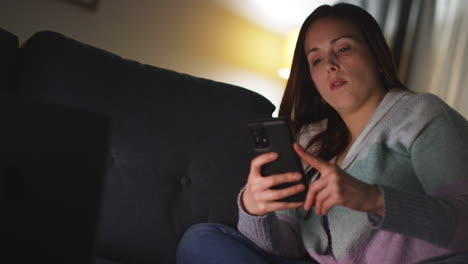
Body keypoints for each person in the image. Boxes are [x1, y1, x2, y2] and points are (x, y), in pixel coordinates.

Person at [176, 3, 468, 264]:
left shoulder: (422, 114)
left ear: (376, 56)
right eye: (316, 60)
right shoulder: (310, 141)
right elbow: (287, 244)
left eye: (343, 48)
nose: (330, 65)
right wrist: (255, 209)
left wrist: (373, 199)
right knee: (202, 238)